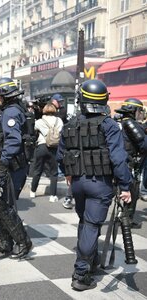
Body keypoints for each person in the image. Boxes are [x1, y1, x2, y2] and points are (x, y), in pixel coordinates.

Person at [57, 79, 132, 291]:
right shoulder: (109, 125)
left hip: (78, 183)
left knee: (85, 223)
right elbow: (118, 159)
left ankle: (89, 260)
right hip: (100, 184)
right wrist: (125, 186)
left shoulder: (70, 124)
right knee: (91, 225)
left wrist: (68, 175)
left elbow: (60, 155)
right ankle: (81, 274)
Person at [0, 77, 33, 259]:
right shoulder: (13, 109)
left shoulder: (11, 112)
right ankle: (6, 242)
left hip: (11, 166)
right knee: (0, 203)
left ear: (3, 96)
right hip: (13, 164)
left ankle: (23, 242)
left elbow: (13, 142)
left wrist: (2, 163)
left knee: (5, 205)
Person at [114, 98, 147, 229]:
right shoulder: (130, 123)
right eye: (140, 110)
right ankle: (126, 219)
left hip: (124, 160)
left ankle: (124, 217)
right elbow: (144, 145)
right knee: (132, 191)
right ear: (133, 111)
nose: (141, 113)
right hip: (129, 162)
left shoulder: (121, 122)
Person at [30, 103, 63, 202]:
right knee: (54, 172)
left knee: (37, 170)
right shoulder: (59, 120)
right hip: (54, 147)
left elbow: (34, 130)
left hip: (42, 146)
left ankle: (33, 192)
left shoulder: (40, 121)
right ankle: (52, 196)